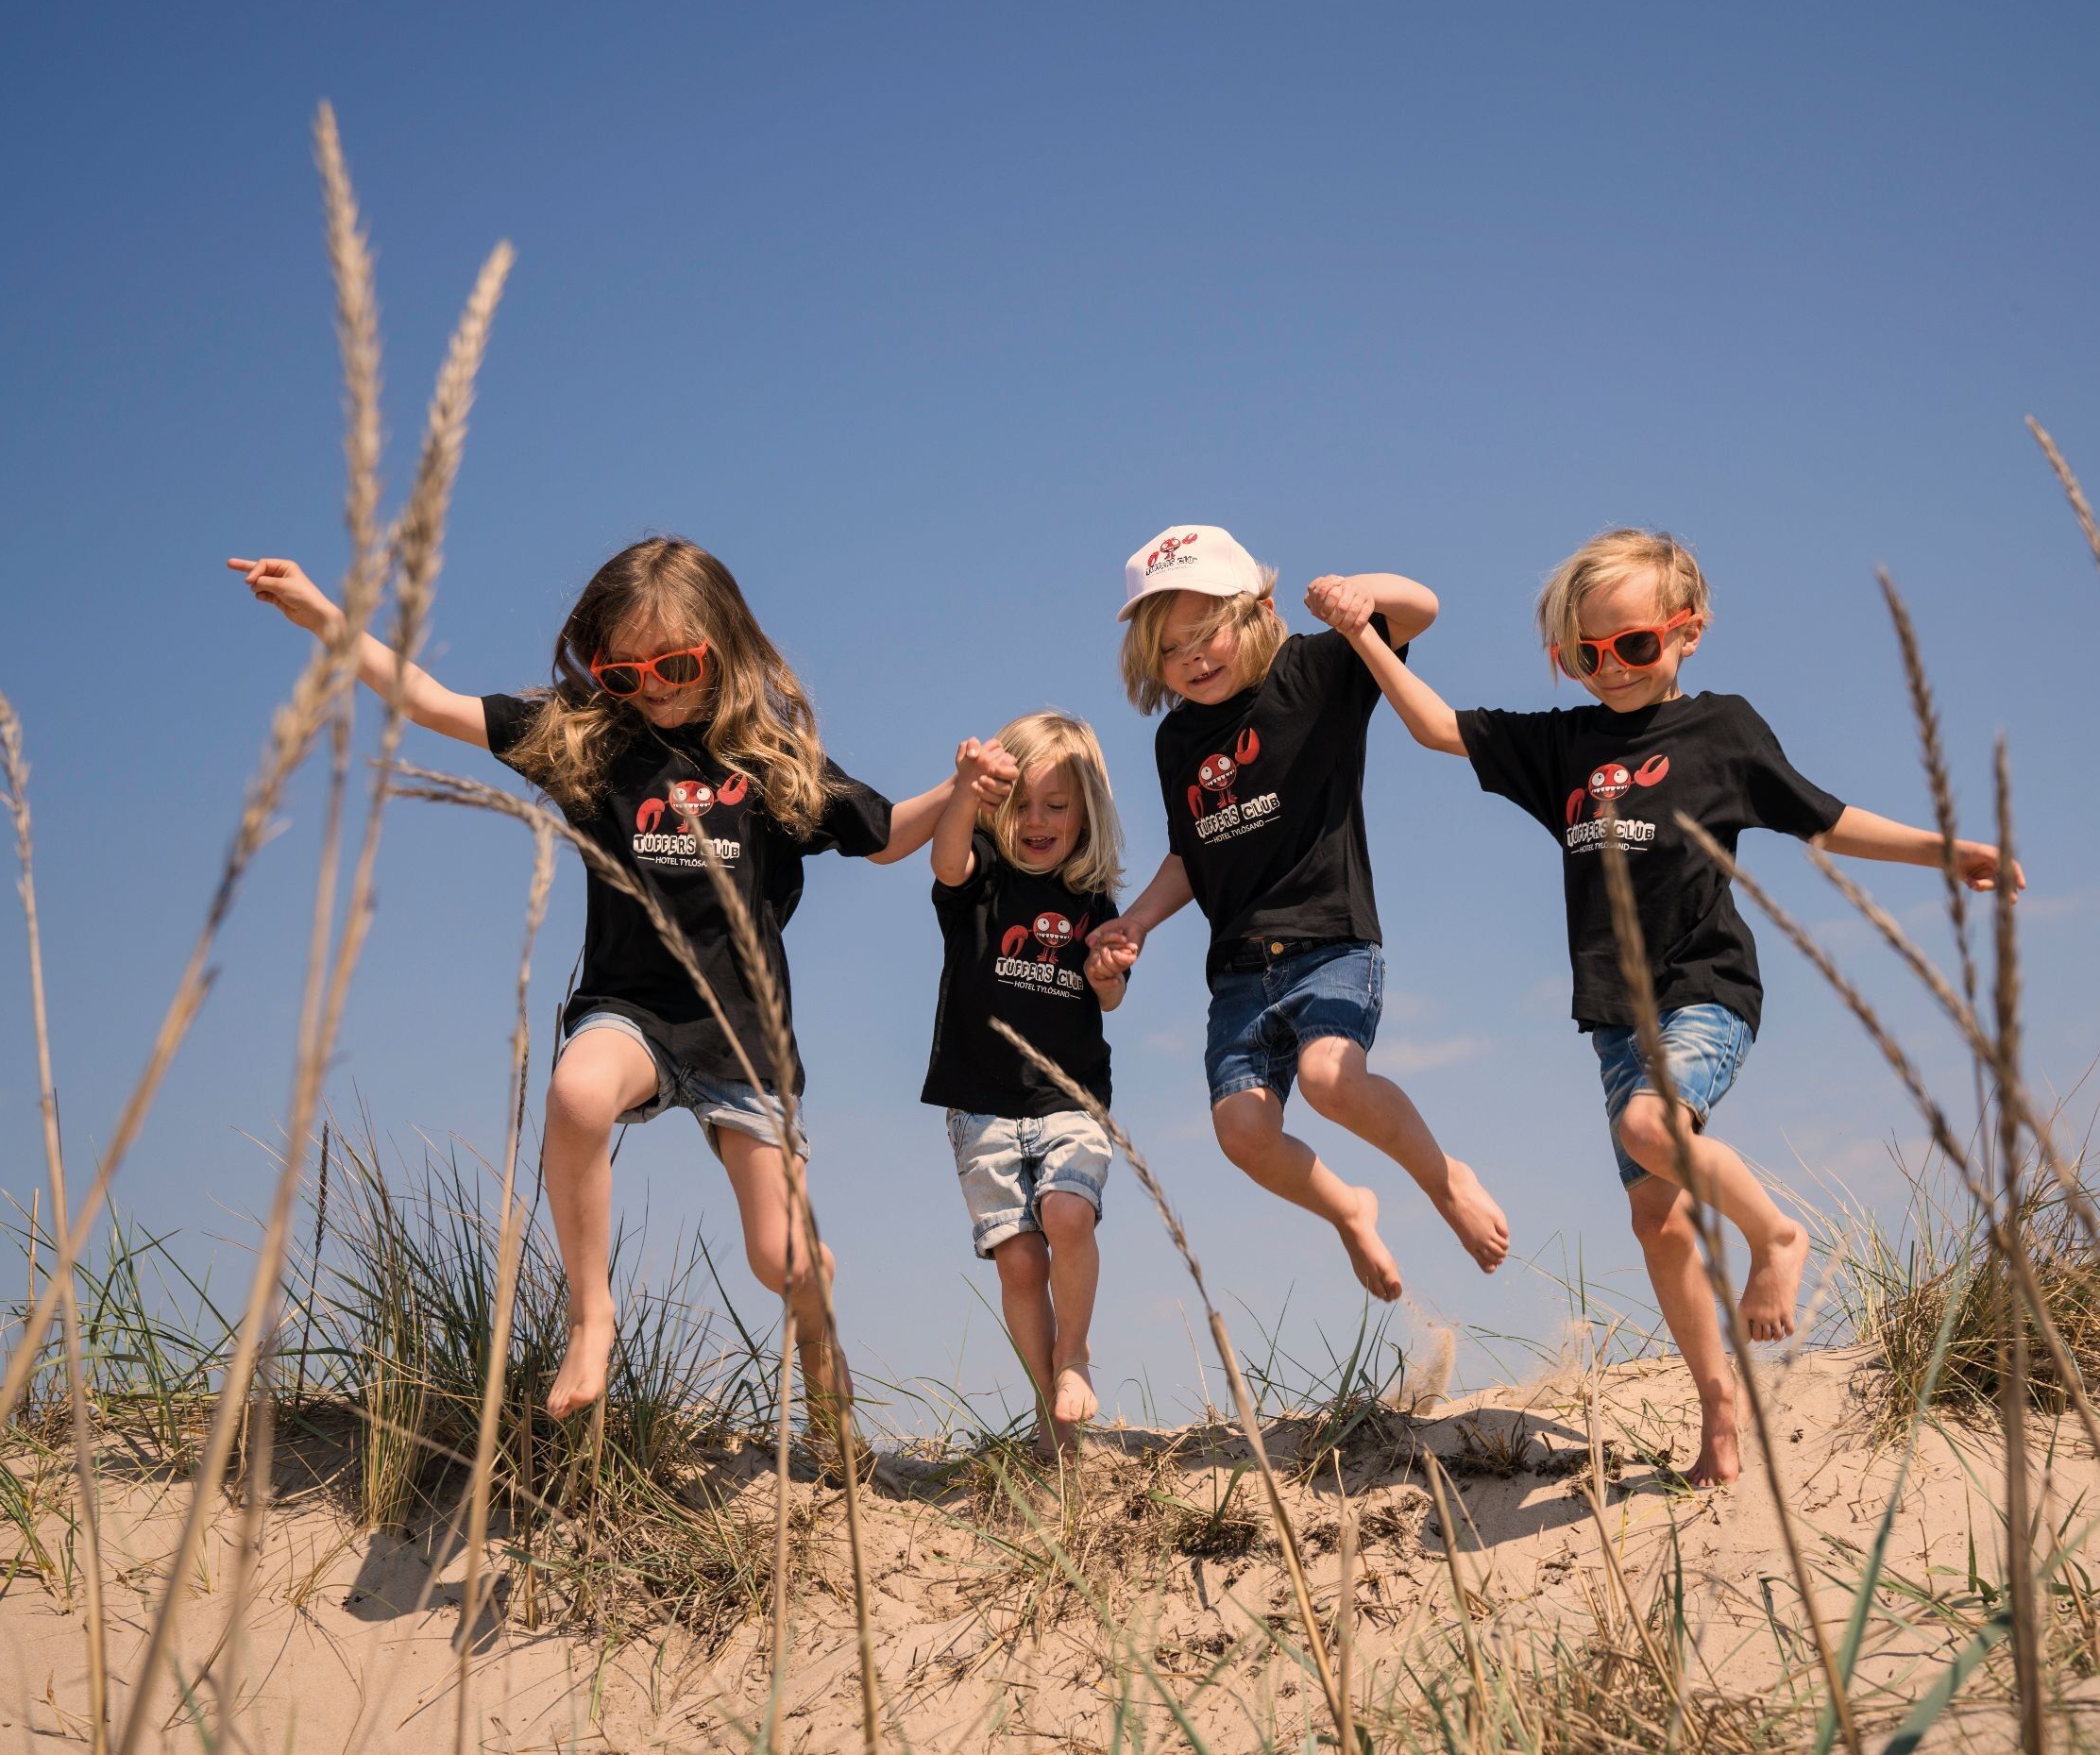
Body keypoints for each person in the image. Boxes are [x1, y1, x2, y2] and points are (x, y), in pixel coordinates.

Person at [1316, 526, 2021, 1487]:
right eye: (1587, 654)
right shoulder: (1563, 743)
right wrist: (1365, 636)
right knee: (1658, 1224)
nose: (1612, 670)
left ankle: (1777, 1232)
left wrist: (1944, 850)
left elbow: (1823, 815)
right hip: (1615, 1018)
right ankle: (1719, 1407)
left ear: (1688, 632)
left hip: (1705, 987)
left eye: (1637, 646)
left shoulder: (1721, 729)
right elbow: (1436, 727)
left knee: (1653, 1125)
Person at [228, 538, 945, 1445]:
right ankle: (589, 1318)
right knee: (574, 1093)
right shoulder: (591, 741)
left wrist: (963, 786)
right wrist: (326, 617)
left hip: (742, 1038)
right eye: (624, 672)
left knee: (786, 1258)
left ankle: (820, 1352)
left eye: (677, 666)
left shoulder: (769, 762)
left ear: (724, 651)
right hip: (631, 1010)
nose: (654, 689)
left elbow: (887, 837)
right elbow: (430, 700)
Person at [1086, 526, 1510, 1303]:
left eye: (1208, 632)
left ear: (1259, 610)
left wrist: (1362, 597)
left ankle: (1444, 1179)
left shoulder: (1316, 671)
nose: (1194, 658)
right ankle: (1350, 1209)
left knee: (1329, 1079)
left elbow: (1424, 608)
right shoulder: (1177, 739)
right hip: (1242, 968)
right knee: (1242, 1135)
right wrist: (1137, 921)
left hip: (1330, 939)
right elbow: (1191, 853)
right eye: (1171, 648)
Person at [922, 712, 1128, 1457]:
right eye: (1021, 805)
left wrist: (1106, 975)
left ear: (1086, 812)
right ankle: (1050, 1413)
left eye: (1057, 805)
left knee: (1069, 1214)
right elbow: (945, 860)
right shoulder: (978, 877)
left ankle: (1073, 1356)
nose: (1037, 821)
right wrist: (966, 794)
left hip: (1069, 1098)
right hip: (981, 1106)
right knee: (1019, 1260)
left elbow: (1109, 995)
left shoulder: (1091, 900)